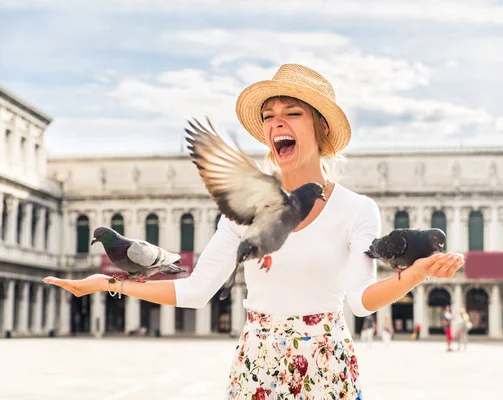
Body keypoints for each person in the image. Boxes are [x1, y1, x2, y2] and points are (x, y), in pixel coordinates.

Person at [43, 64, 464, 399]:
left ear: (320, 128)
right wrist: (107, 284)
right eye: (269, 116)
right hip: (257, 365)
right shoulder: (247, 210)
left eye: (292, 113)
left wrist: (416, 274)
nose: (276, 122)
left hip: (327, 368)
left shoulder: (356, 209)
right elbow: (194, 291)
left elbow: (360, 301)